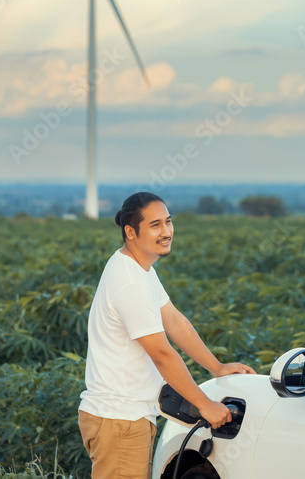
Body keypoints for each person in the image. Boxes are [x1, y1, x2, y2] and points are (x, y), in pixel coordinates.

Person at [78, 192, 255, 479]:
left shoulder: (139, 268)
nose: (166, 232)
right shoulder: (130, 282)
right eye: (155, 225)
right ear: (130, 232)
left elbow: (174, 321)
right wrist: (204, 404)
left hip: (126, 417)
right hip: (119, 419)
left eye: (168, 222)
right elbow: (162, 354)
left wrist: (217, 367)